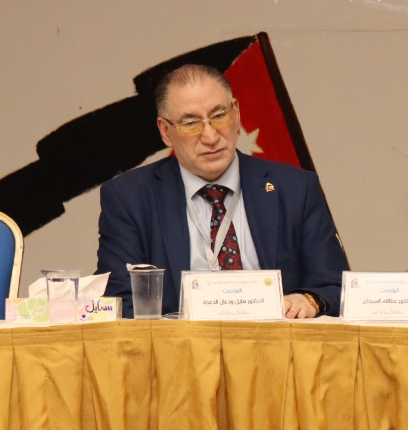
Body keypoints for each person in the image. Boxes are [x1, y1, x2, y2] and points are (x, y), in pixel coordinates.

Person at [97, 64, 348, 318]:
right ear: (165, 131)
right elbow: (118, 302)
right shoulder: (129, 197)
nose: (210, 136)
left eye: (219, 116)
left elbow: (336, 288)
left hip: (274, 340)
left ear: (236, 113)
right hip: (180, 342)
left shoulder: (295, 189)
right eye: (191, 123)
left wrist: (307, 301)